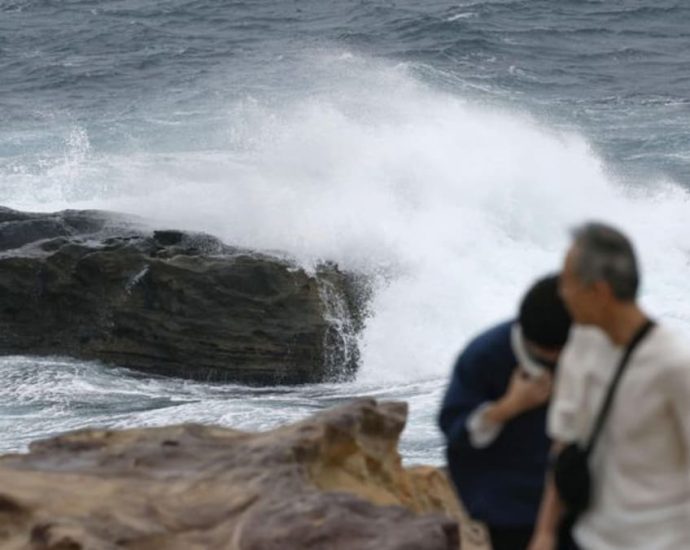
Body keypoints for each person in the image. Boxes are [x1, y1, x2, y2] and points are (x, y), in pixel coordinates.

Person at [529, 222, 690, 550]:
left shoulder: (674, 365)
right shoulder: (581, 345)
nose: (561, 293)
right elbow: (565, 446)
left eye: (568, 283)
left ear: (599, 292)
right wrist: (545, 534)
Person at [439, 274, 572, 550]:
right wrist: (509, 406)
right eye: (549, 356)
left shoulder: (588, 344)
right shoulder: (485, 356)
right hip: (507, 502)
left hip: (576, 495)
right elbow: (457, 431)